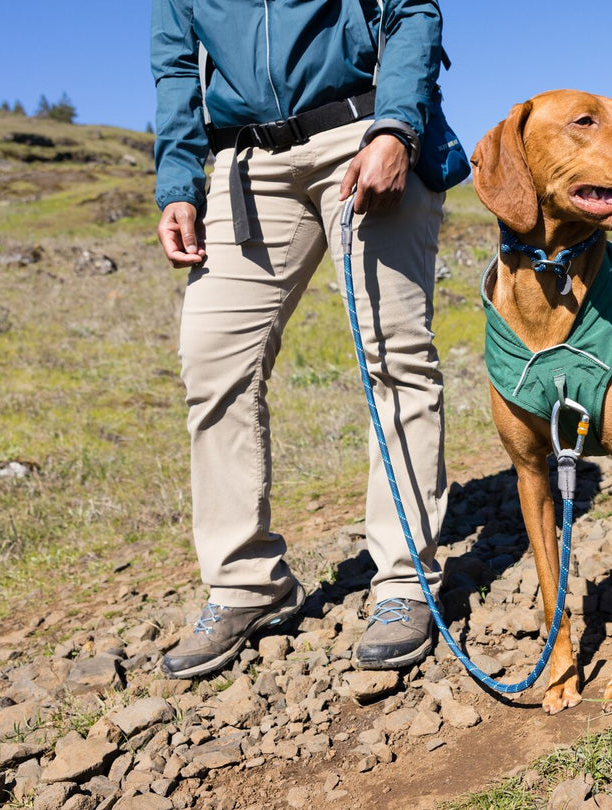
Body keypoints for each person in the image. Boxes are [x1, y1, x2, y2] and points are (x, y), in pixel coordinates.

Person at [150, 0, 447, 678]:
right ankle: (245, 586)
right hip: (243, 162)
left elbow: (411, 11)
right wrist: (178, 183)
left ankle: (405, 583)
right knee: (213, 362)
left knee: (395, 357)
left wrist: (396, 127)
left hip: (361, 132)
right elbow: (175, 68)